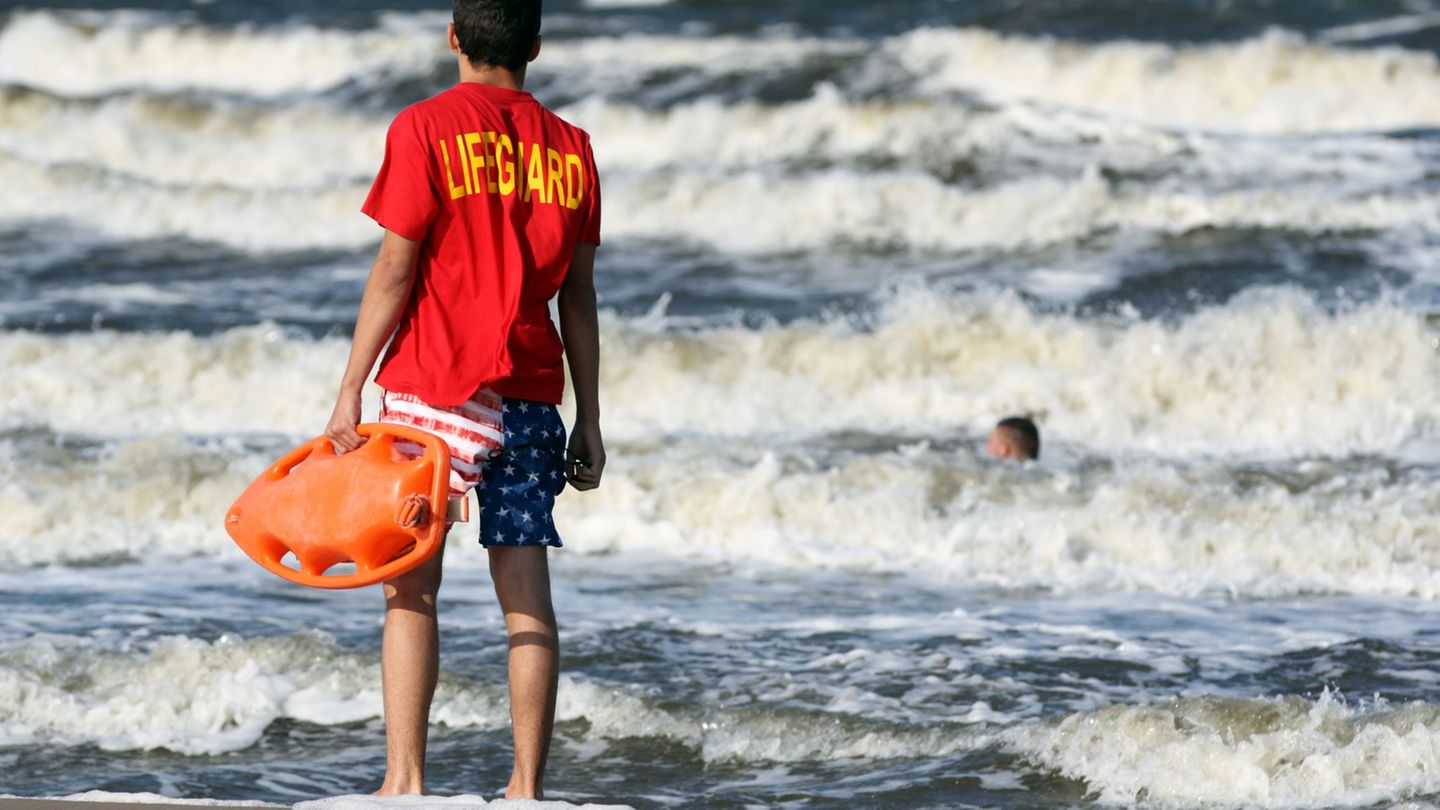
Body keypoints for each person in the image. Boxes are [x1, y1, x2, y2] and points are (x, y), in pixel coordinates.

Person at [321, 0, 604, 799]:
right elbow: (578, 298)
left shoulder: (423, 128)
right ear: (536, 47)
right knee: (527, 603)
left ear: (453, 37)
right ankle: (524, 790)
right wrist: (590, 415)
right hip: (528, 394)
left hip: (431, 392)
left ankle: (404, 782)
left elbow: (394, 270)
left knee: (411, 588)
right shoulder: (574, 149)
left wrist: (348, 389)